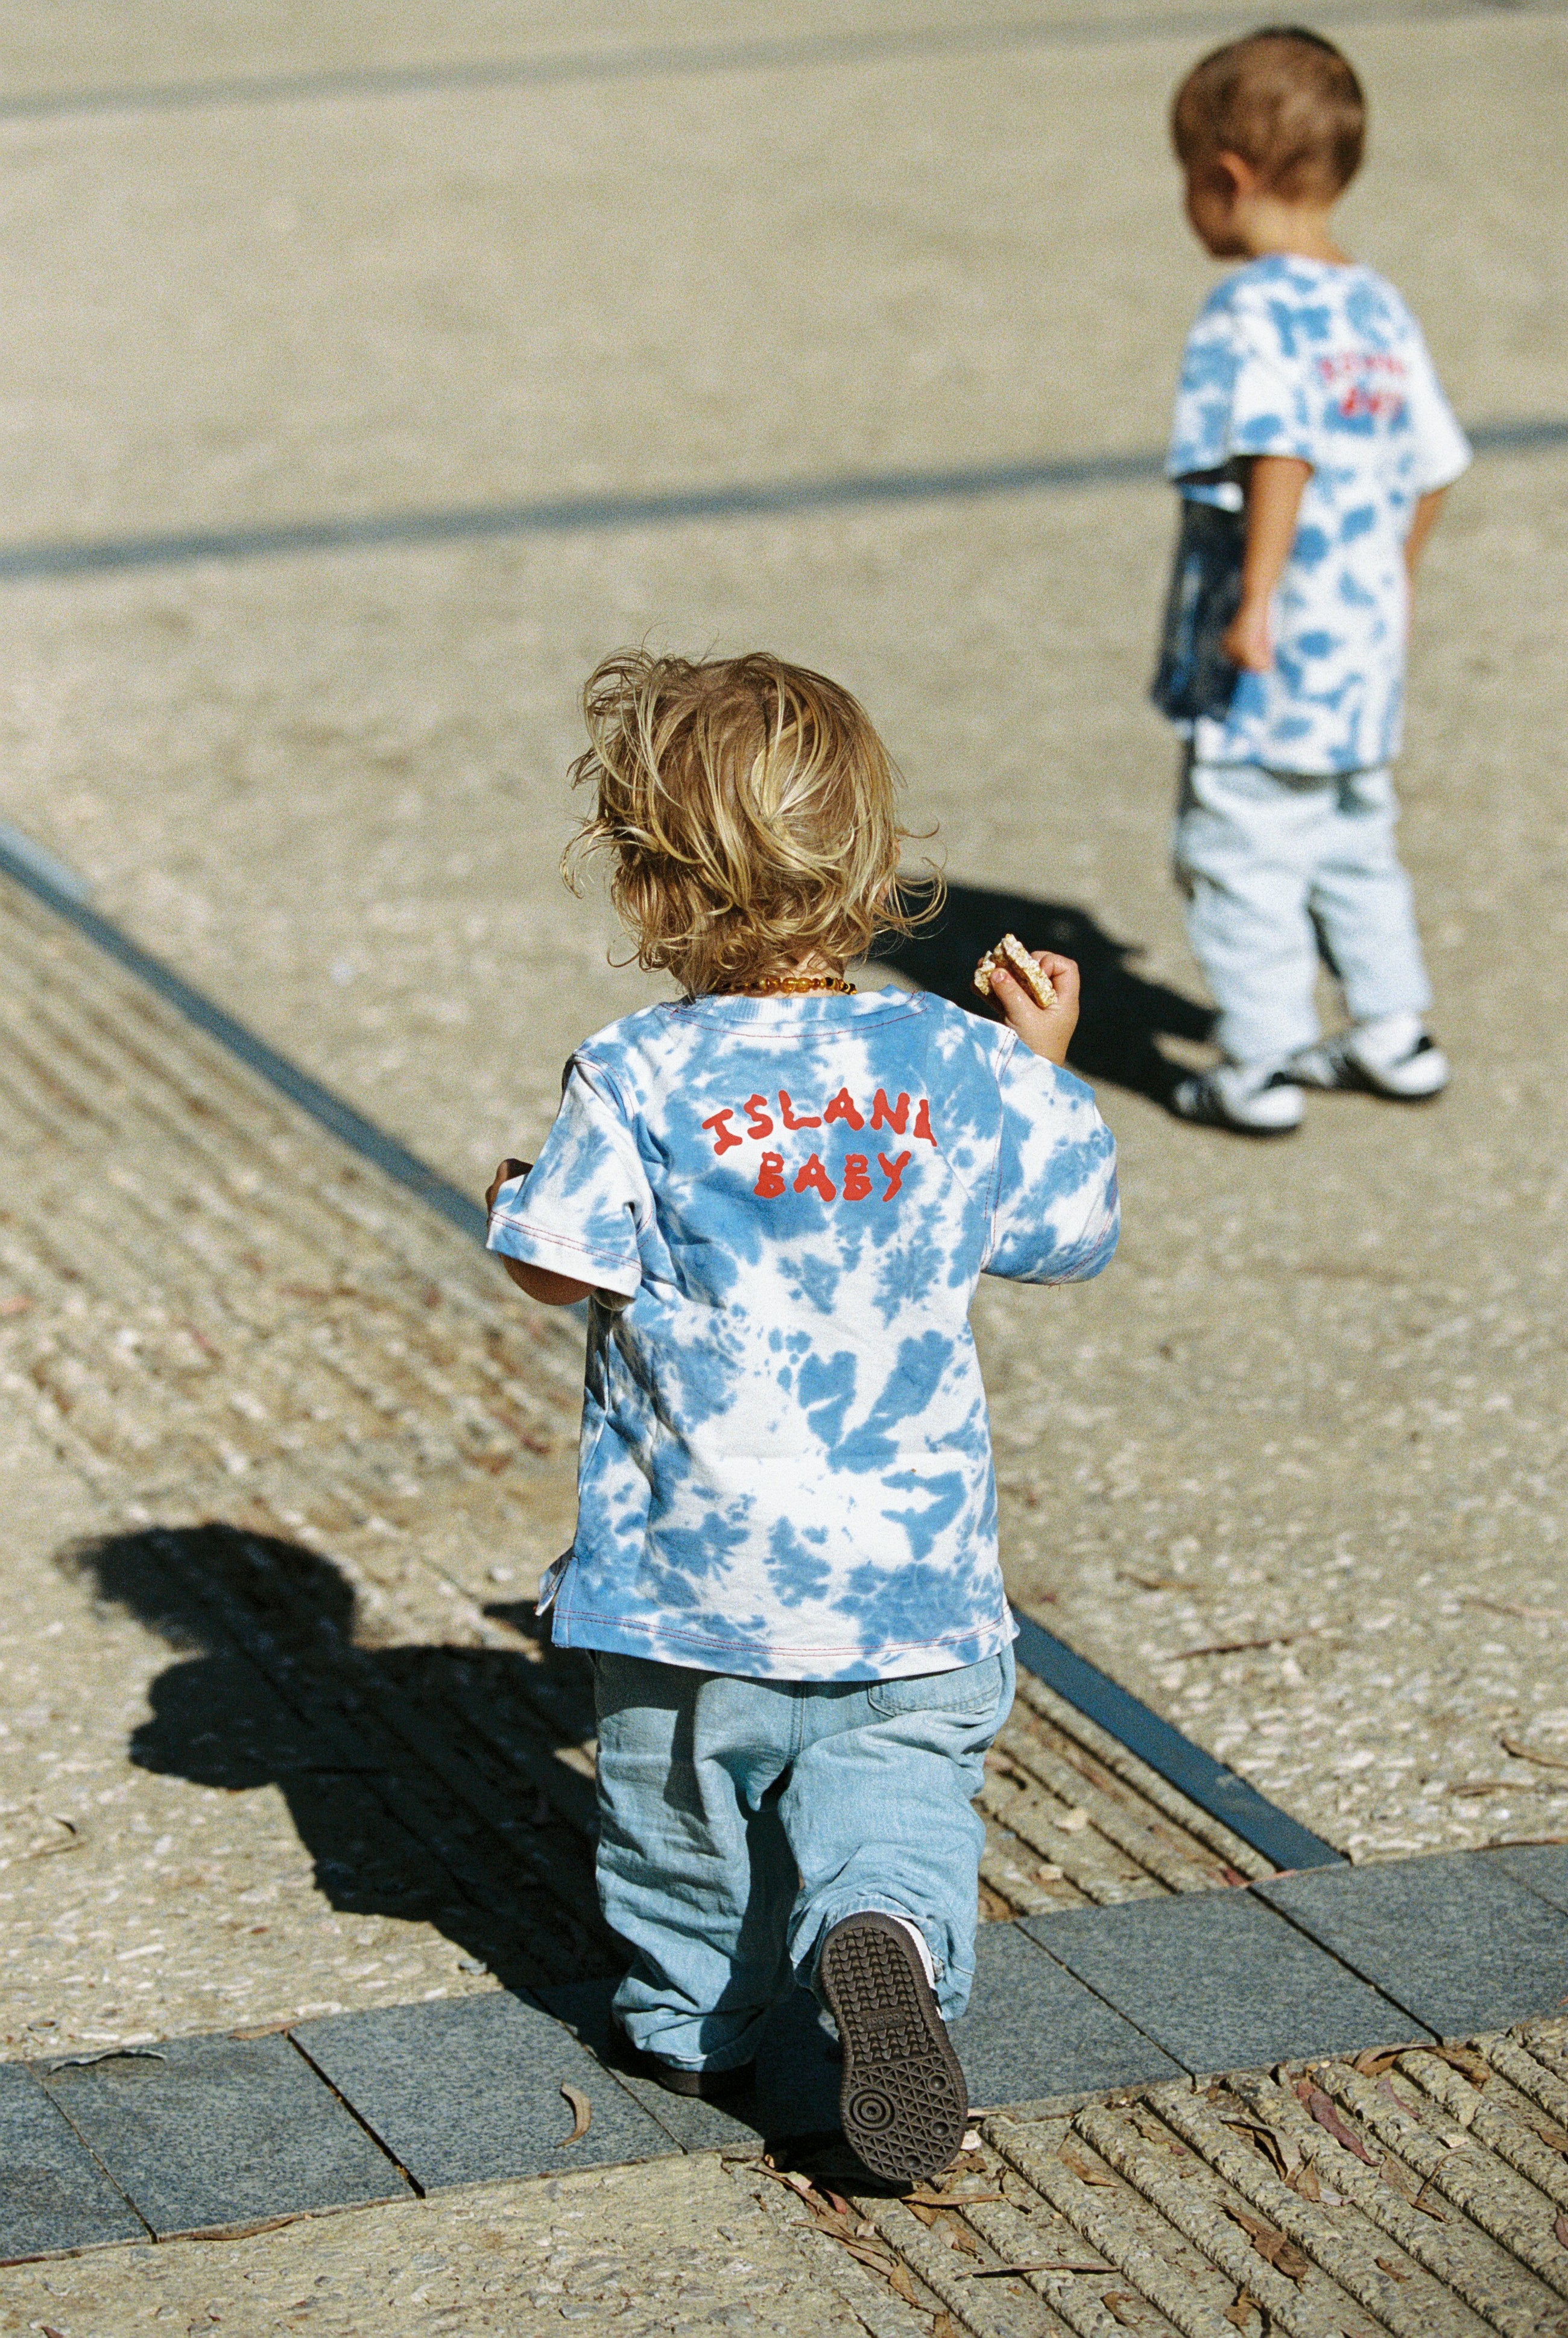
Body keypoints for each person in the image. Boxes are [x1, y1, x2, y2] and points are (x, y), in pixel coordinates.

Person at [484, 650, 1118, 2183]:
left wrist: (506, 1195)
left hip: (692, 1587)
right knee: (899, 1787)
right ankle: (883, 1934)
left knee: (686, 1823)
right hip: (913, 1582)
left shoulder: (639, 1068)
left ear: (648, 882)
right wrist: (1032, 1073)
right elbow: (1064, 1230)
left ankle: (697, 2028)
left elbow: (555, 1269)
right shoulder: (956, 1062)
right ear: (871, 864)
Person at [1151, 25, 1470, 1135]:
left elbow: (1278, 448)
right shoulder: (1378, 306)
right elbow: (1436, 463)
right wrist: (1395, 580)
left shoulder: (1249, 310)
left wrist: (1255, 602)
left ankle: (1259, 1059)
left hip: (1270, 652)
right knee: (1351, 835)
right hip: (1361, 644)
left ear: (1225, 179)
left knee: (1238, 851)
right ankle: (1393, 1028)